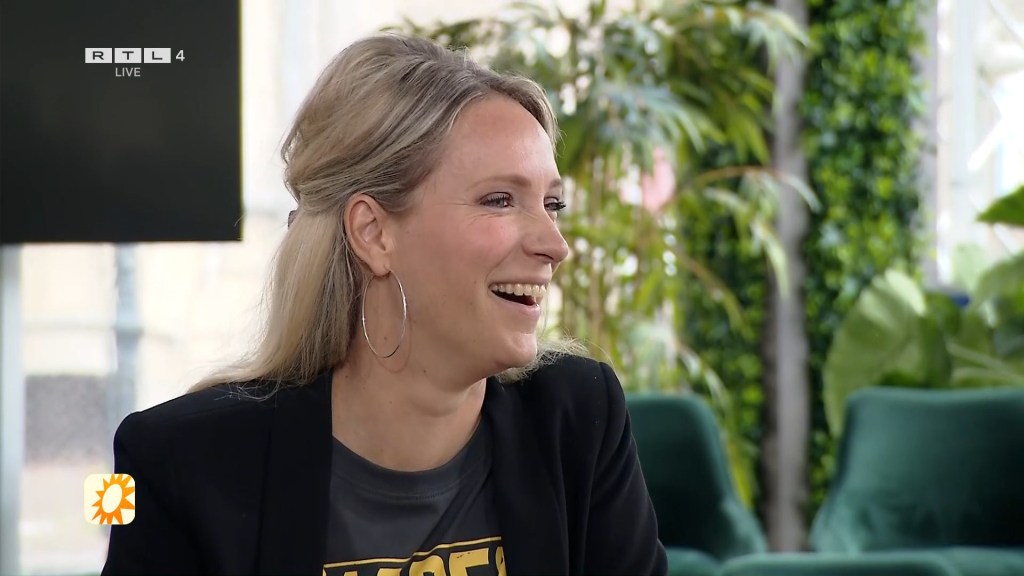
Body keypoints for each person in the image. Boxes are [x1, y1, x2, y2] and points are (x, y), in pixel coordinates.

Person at [101, 33, 667, 576]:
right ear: (373, 233)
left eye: (552, 204)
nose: (554, 245)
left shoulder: (578, 418)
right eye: (500, 200)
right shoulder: (181, 463)